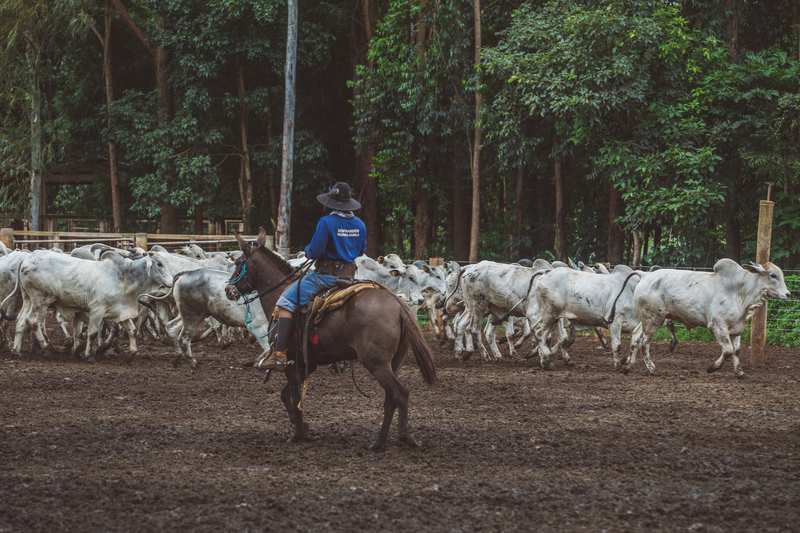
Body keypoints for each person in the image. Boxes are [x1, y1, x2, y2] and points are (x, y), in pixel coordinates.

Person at [262, 182, 367, 371]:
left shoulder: (326, 222)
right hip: (350, 277)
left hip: (325, 277)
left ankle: (279, 355)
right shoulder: (360, 224)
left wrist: (308, 251)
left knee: (285, 303)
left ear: (332, 201)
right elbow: (361, 251)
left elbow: (316, 251)